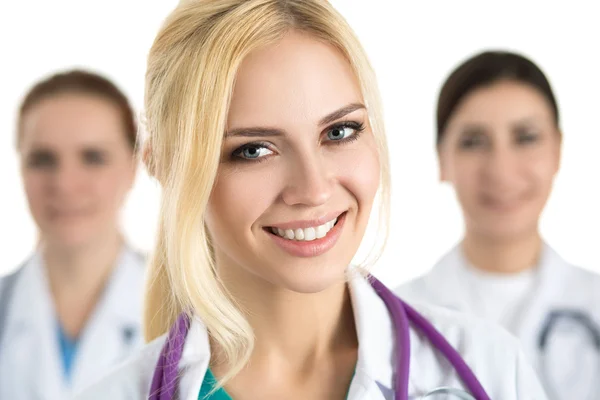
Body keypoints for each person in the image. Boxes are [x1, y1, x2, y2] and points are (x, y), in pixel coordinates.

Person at [76, 2, 548, 399]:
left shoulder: (489, 368)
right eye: (253, 150)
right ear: (164, 166)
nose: (315, 189)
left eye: (340, 132)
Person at [396, 50, 600, 399]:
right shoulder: (398, 322)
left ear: (558, 149)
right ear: (442, 159)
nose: (501, 171)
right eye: (473, 142)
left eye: (526, 137)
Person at [0, 70, 147, 399]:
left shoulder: (190, 319)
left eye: (93, 158)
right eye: (42, 159)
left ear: (134, 165)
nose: (65, 184)